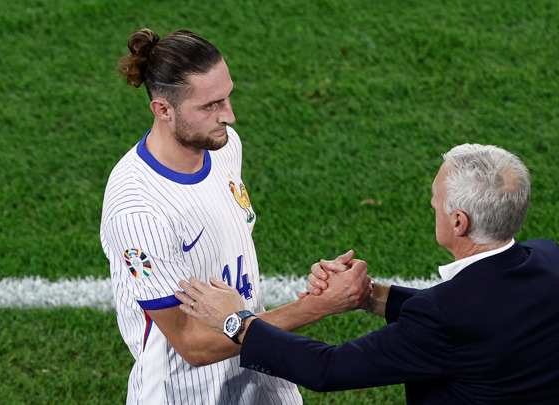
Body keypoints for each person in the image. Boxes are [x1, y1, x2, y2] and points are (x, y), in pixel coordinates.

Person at [176, 144, 559, 404]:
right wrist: (369, 295)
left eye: (435, 199)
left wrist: (237, 321)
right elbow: (479, 316)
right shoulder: (550, 260)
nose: (431, 203)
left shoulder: (445, 316)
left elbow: (327, 369)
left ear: (459, 222)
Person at [100, 28, 370, 404]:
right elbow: (192, 345)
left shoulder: (224, 147)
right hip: (189, 394)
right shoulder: (138, 211)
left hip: (261, 373)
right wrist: (317, 306)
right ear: (163, 110)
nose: (229, 116)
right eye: (210, 106)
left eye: (227, 97)